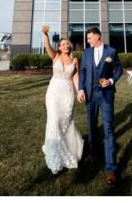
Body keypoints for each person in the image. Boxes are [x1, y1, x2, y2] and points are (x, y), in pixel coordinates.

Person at [77, 26, 123, 186]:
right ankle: (94, 153)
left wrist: (110, 81)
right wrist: (81, 88)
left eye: (90, 38)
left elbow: (118, 69)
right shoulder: (87, 53)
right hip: (90, 95)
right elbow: (82, 71)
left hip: (106, 95)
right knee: (92, 125)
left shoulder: (111, 51)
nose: (88, 41)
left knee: (108, 129)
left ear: (98, 37)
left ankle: (111, 169)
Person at [39, 25, 83, 174]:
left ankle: (69, 149)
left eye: (67, 44)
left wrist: (79, 92)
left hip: (68, 92)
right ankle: (54, 155)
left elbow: (75, 77)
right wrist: (45, 34)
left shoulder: (74, 60)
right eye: (63, 44)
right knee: (54, 119)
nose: (66, 45)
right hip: (54, 92)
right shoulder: (55, 56)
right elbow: (47, 46)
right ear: (59, 47)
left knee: (66, 121)